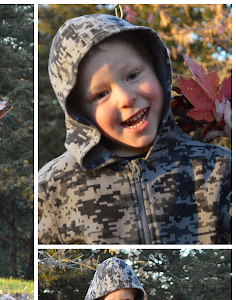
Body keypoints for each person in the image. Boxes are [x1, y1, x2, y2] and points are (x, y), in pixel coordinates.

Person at [38, 14, 231, 244]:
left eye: (133, 75)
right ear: (79, 113)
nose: (126, 98)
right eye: (101, 95)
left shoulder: (216, 167)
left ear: (158, 71)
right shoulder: (53, 187)